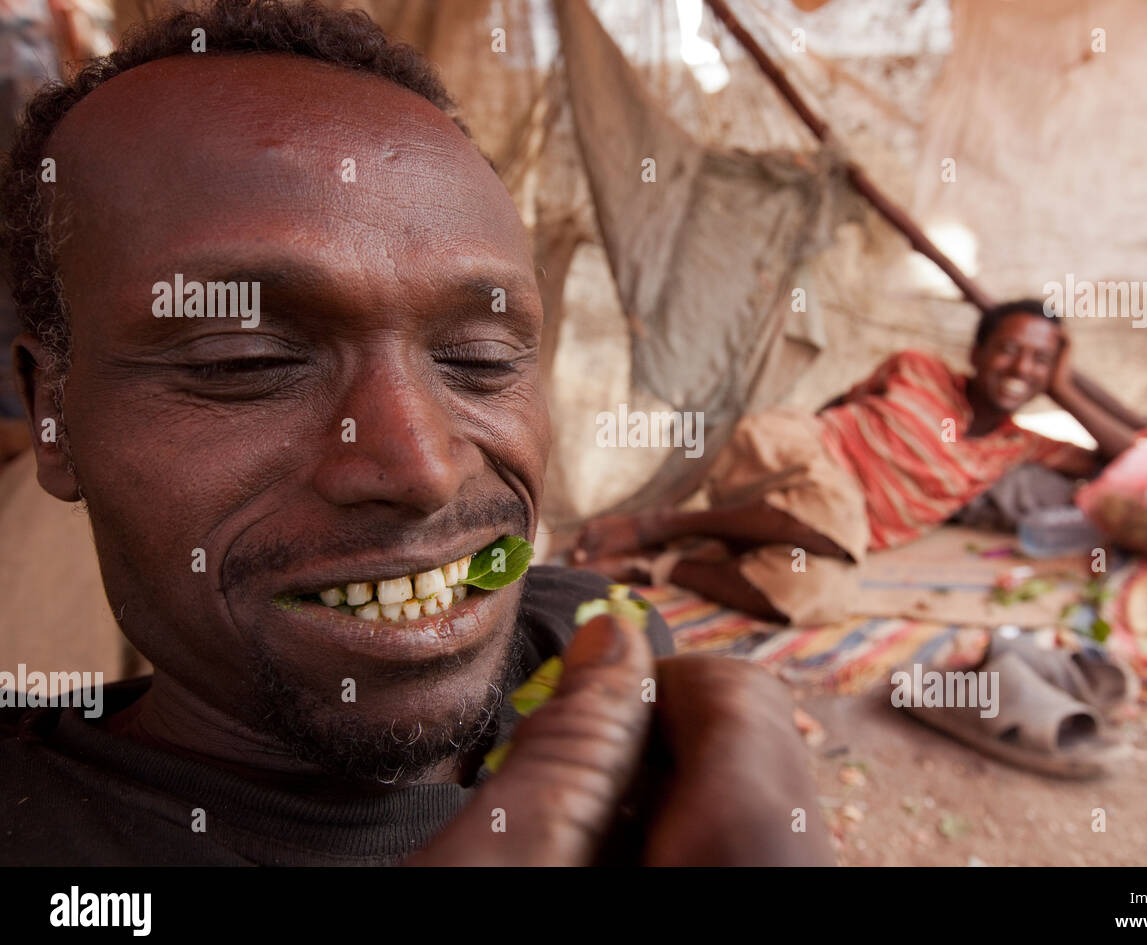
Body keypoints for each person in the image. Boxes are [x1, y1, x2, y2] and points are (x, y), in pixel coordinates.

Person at [0, 0, 830, 866]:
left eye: (480, 357)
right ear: (52, 417)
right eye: (243, 359)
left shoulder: (580, 634)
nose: (422, 465)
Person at [574, 300, 1146, 625]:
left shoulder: (1023, 445)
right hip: (798, 460)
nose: (1021, 368)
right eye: (1008, 349)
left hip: (839, 528)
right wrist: (810, 453)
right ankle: (660, 526)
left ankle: (655, 566)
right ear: (976, 352)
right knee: (775, 439)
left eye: (1040, 360)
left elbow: (1139, 458)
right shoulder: (918, 367)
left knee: (815, 597)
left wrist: (1065, 387)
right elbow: (835, 408)